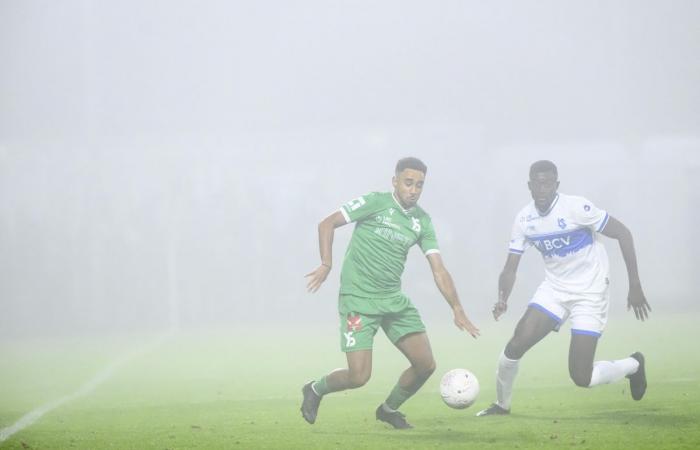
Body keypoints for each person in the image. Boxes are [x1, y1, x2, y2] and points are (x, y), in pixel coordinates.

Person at [301, 157, 480, 429]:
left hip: (393, 300)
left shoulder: (421, 221)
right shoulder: (376, 203)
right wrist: (326, 264)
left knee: (425, 365)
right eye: (408, 183)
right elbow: (326, 224)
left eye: (419, 185)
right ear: (395, 181)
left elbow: (439, 270)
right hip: (358, 300)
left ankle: (388, 409)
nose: (414, 190)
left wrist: (457, 308)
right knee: (359, 377)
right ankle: (315, 389)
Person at [476, 160, 651, 417]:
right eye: (538, 183)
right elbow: (510, 267)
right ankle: (502, 406)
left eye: (548, 183)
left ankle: (634, 364)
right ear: (530, 186)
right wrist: (503, 299)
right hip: (555, 288)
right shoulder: (525, 219)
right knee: (515, 345)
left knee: (582, 377)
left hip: (590, 291)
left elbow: (623, 233)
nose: (543, 188)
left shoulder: (576, 207)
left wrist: (634, 284)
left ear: (557, 185)